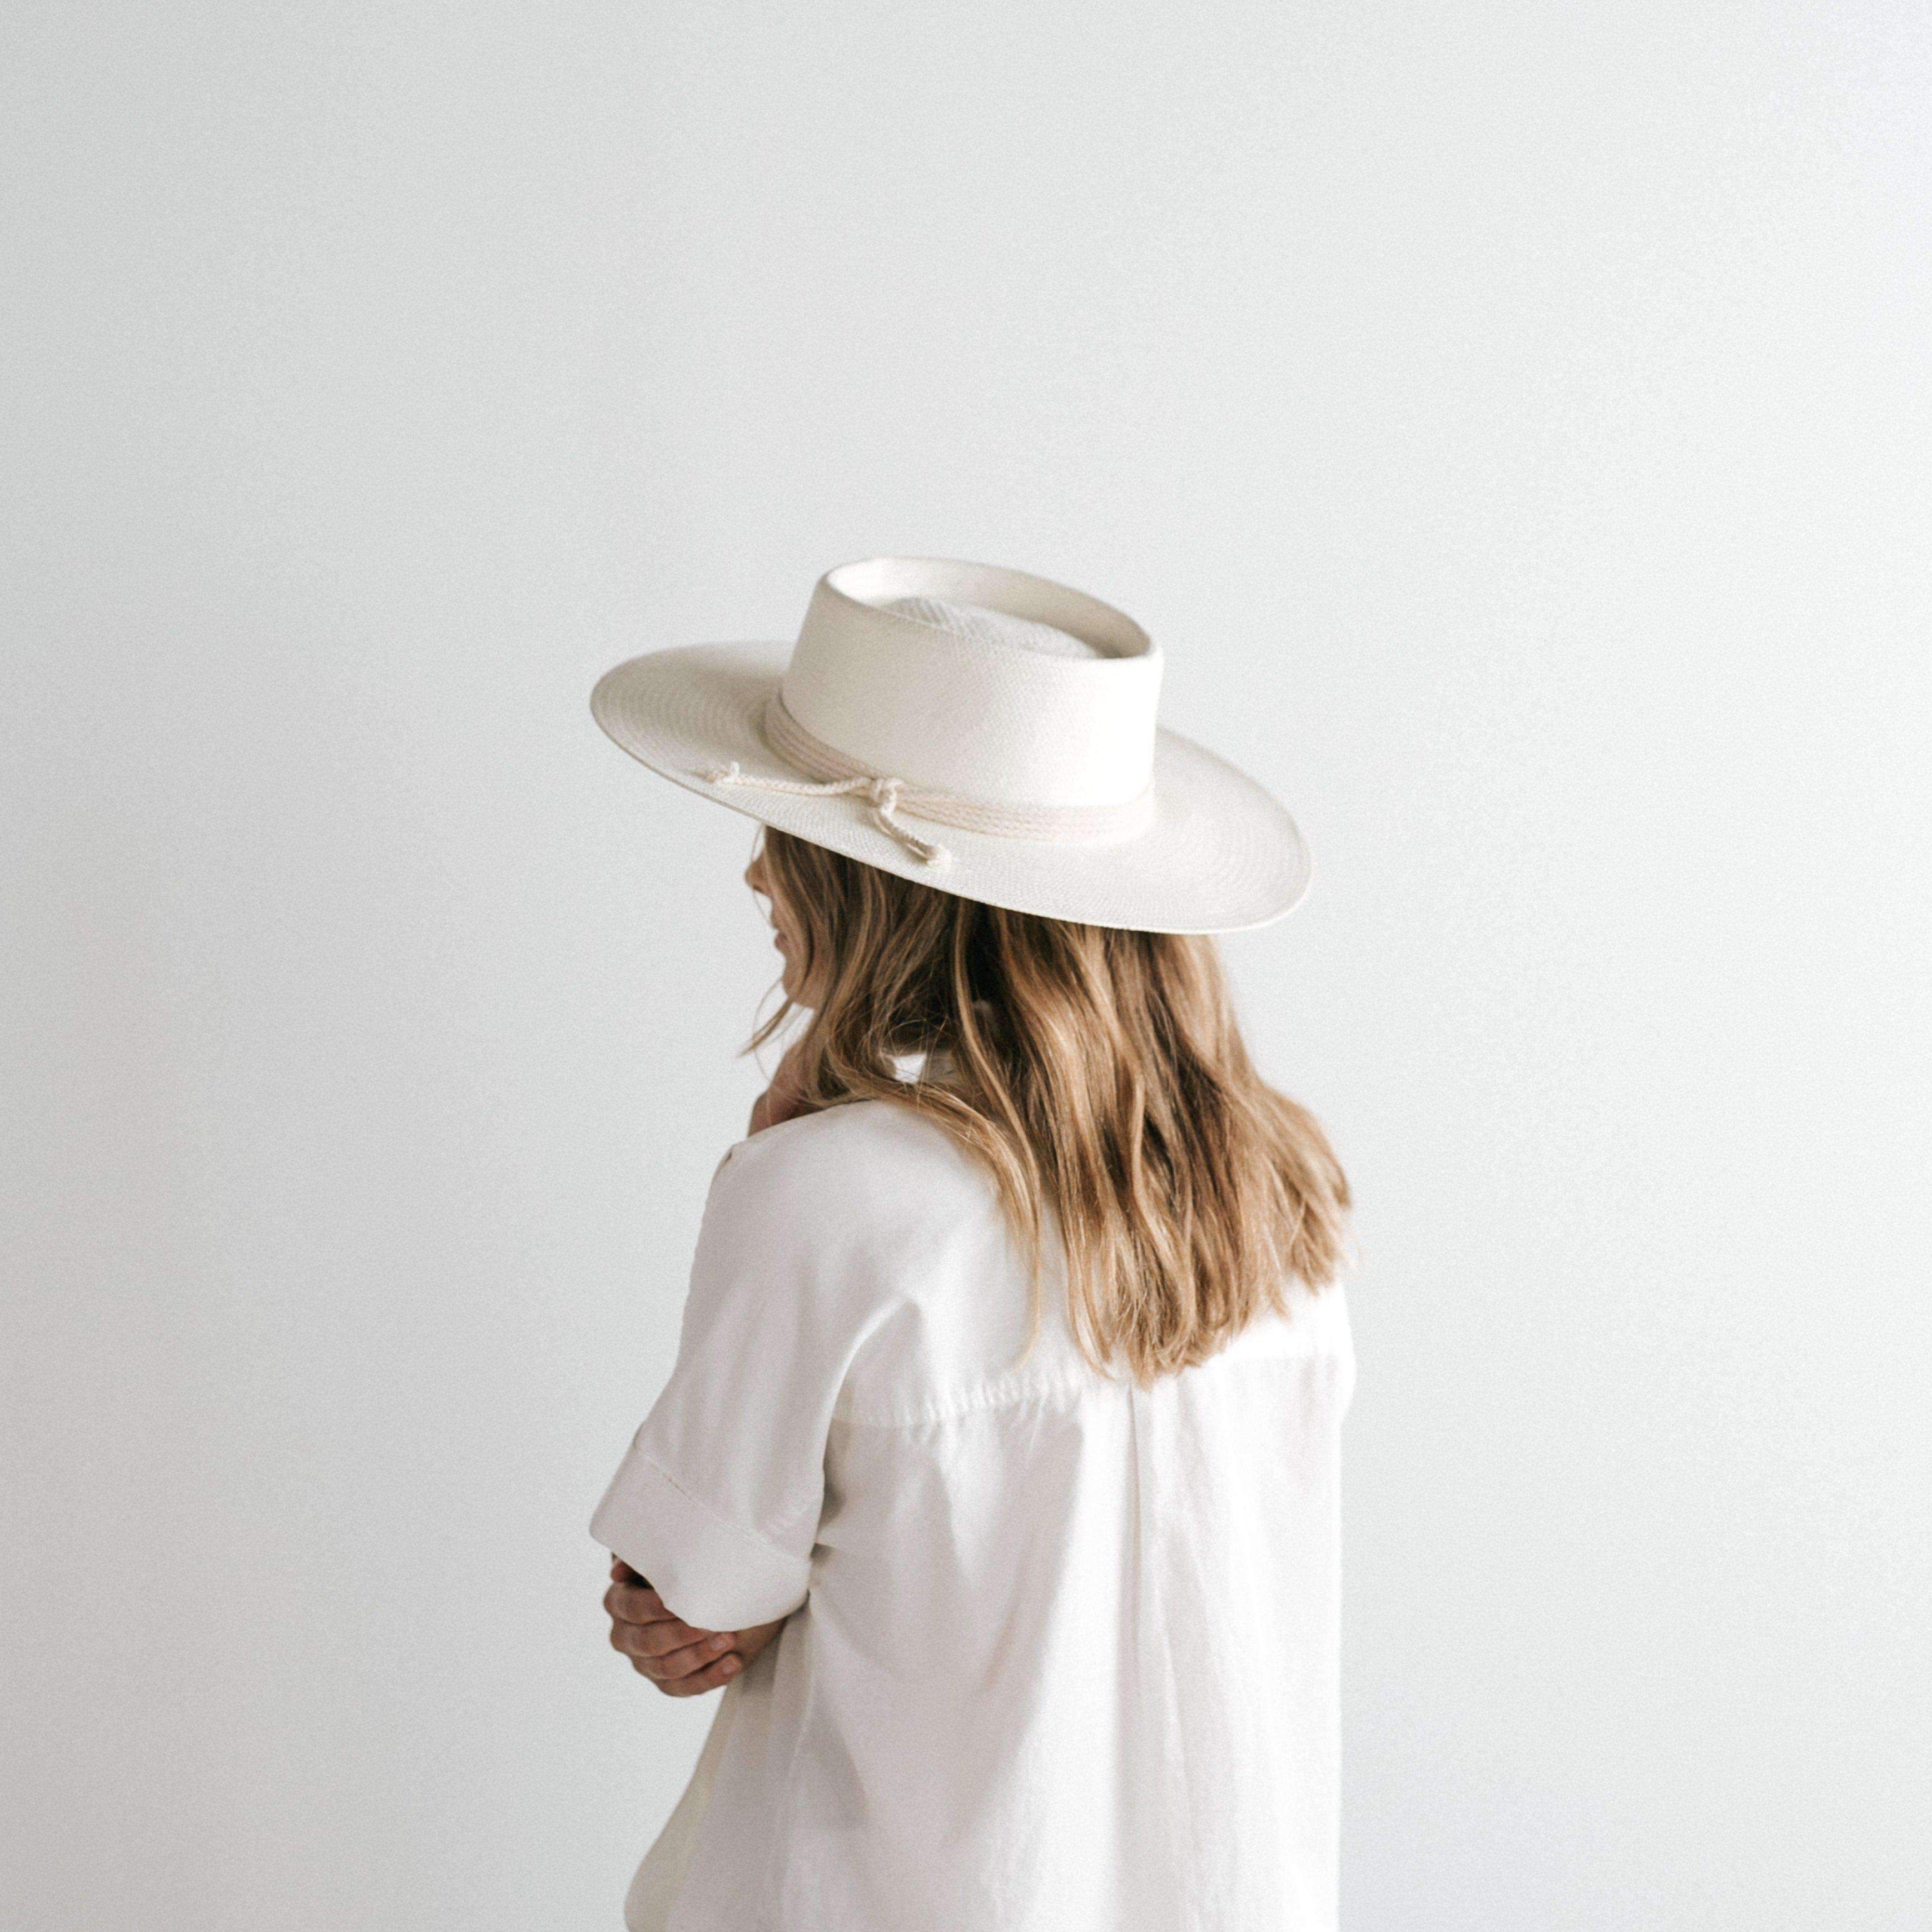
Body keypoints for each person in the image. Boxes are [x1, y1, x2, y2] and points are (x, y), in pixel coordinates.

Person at [586, 558, 1355, 1931]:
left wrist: (796, 1139)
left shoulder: (826, 1192)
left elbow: (687, 1603)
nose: (757, 867)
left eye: (791, 835)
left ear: (882, 886)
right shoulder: (1276, 1198)